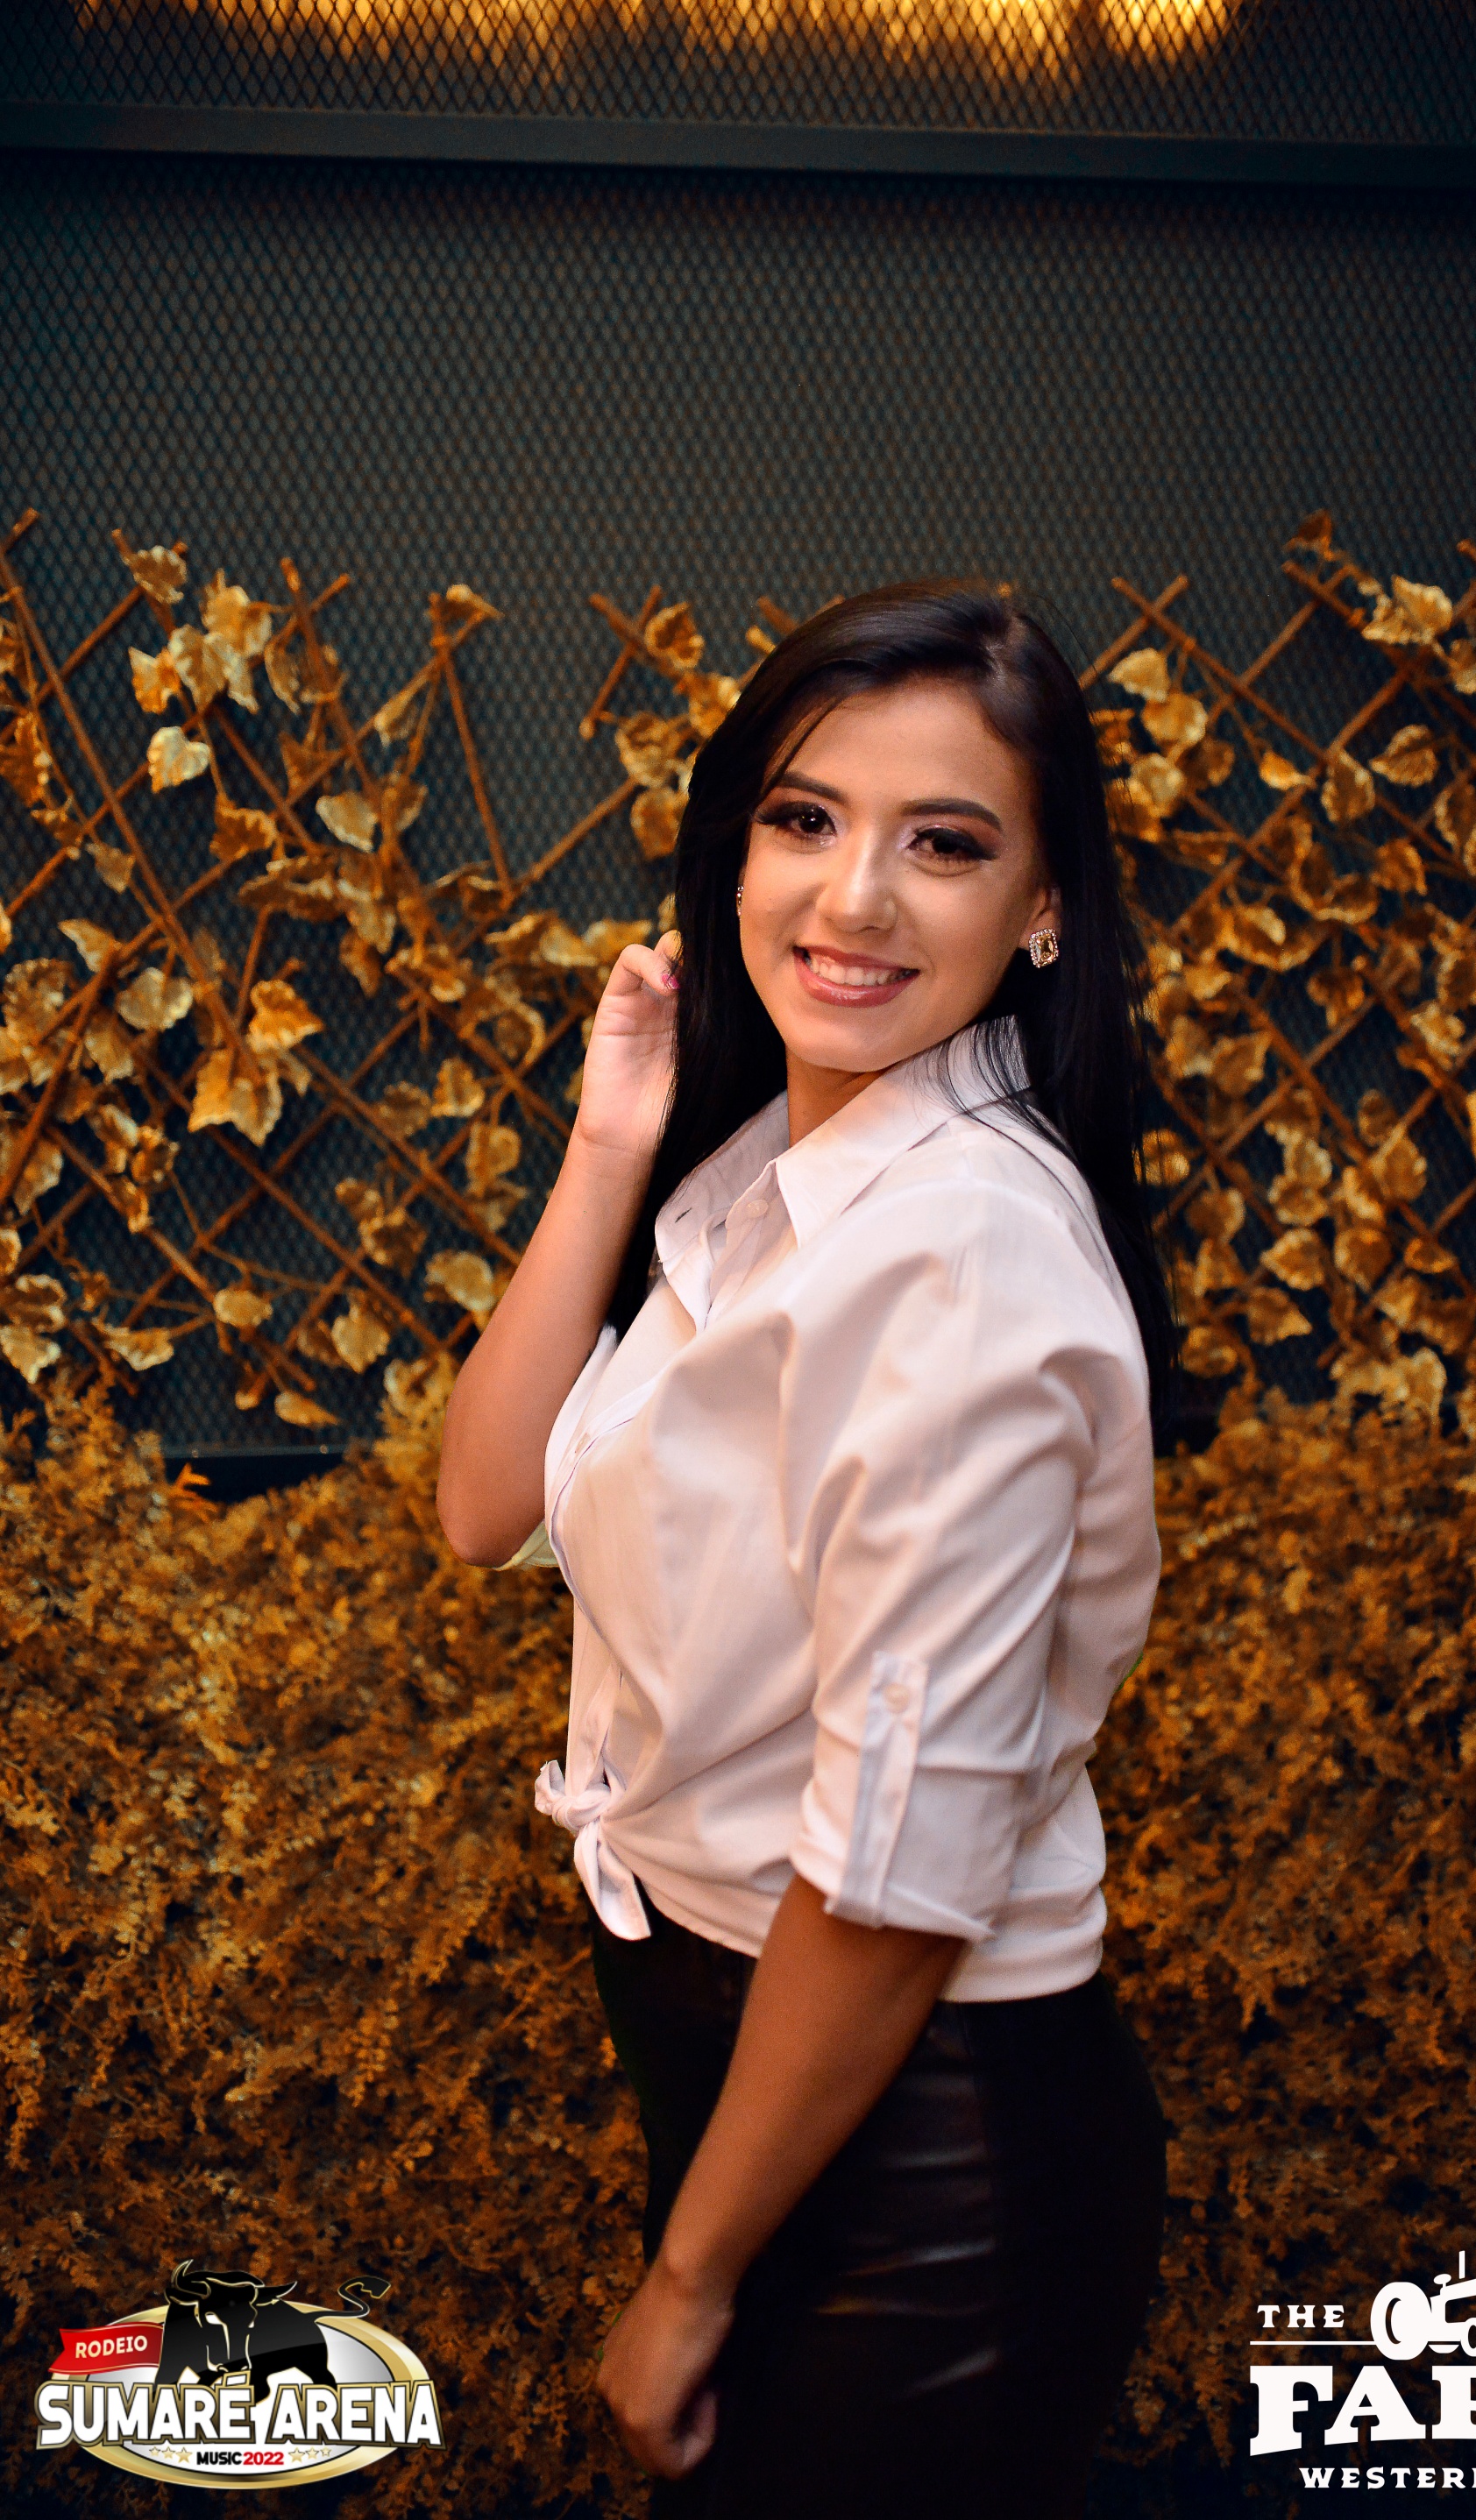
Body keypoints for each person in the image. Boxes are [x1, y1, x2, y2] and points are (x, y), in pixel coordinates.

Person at [436, 580, 1175, 2519]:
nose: (854, 897)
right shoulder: (778, 1174)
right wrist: (610, 1145)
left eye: (945, 844)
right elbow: (486, 1507)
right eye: (804, 817)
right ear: (734, 850)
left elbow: (897, 1876)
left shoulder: (961, 1252)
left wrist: (690, 2279)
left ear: (1044, 907)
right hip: (761, 2094)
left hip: (929, 2174)